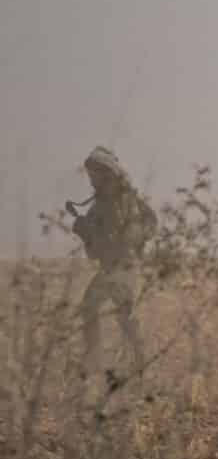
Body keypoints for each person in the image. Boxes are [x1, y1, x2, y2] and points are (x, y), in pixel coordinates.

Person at [72, 146, 154, 371]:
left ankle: (100, 361)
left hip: (119, 268)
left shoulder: (118, 201)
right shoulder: (115, 200)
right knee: (121, 316)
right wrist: (84, 229)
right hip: (119, 267)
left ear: (106, 174)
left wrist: (86, 230)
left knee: (98, 310)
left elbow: (146, 225)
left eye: (94, 175)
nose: (91, 180)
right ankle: (135, 363)